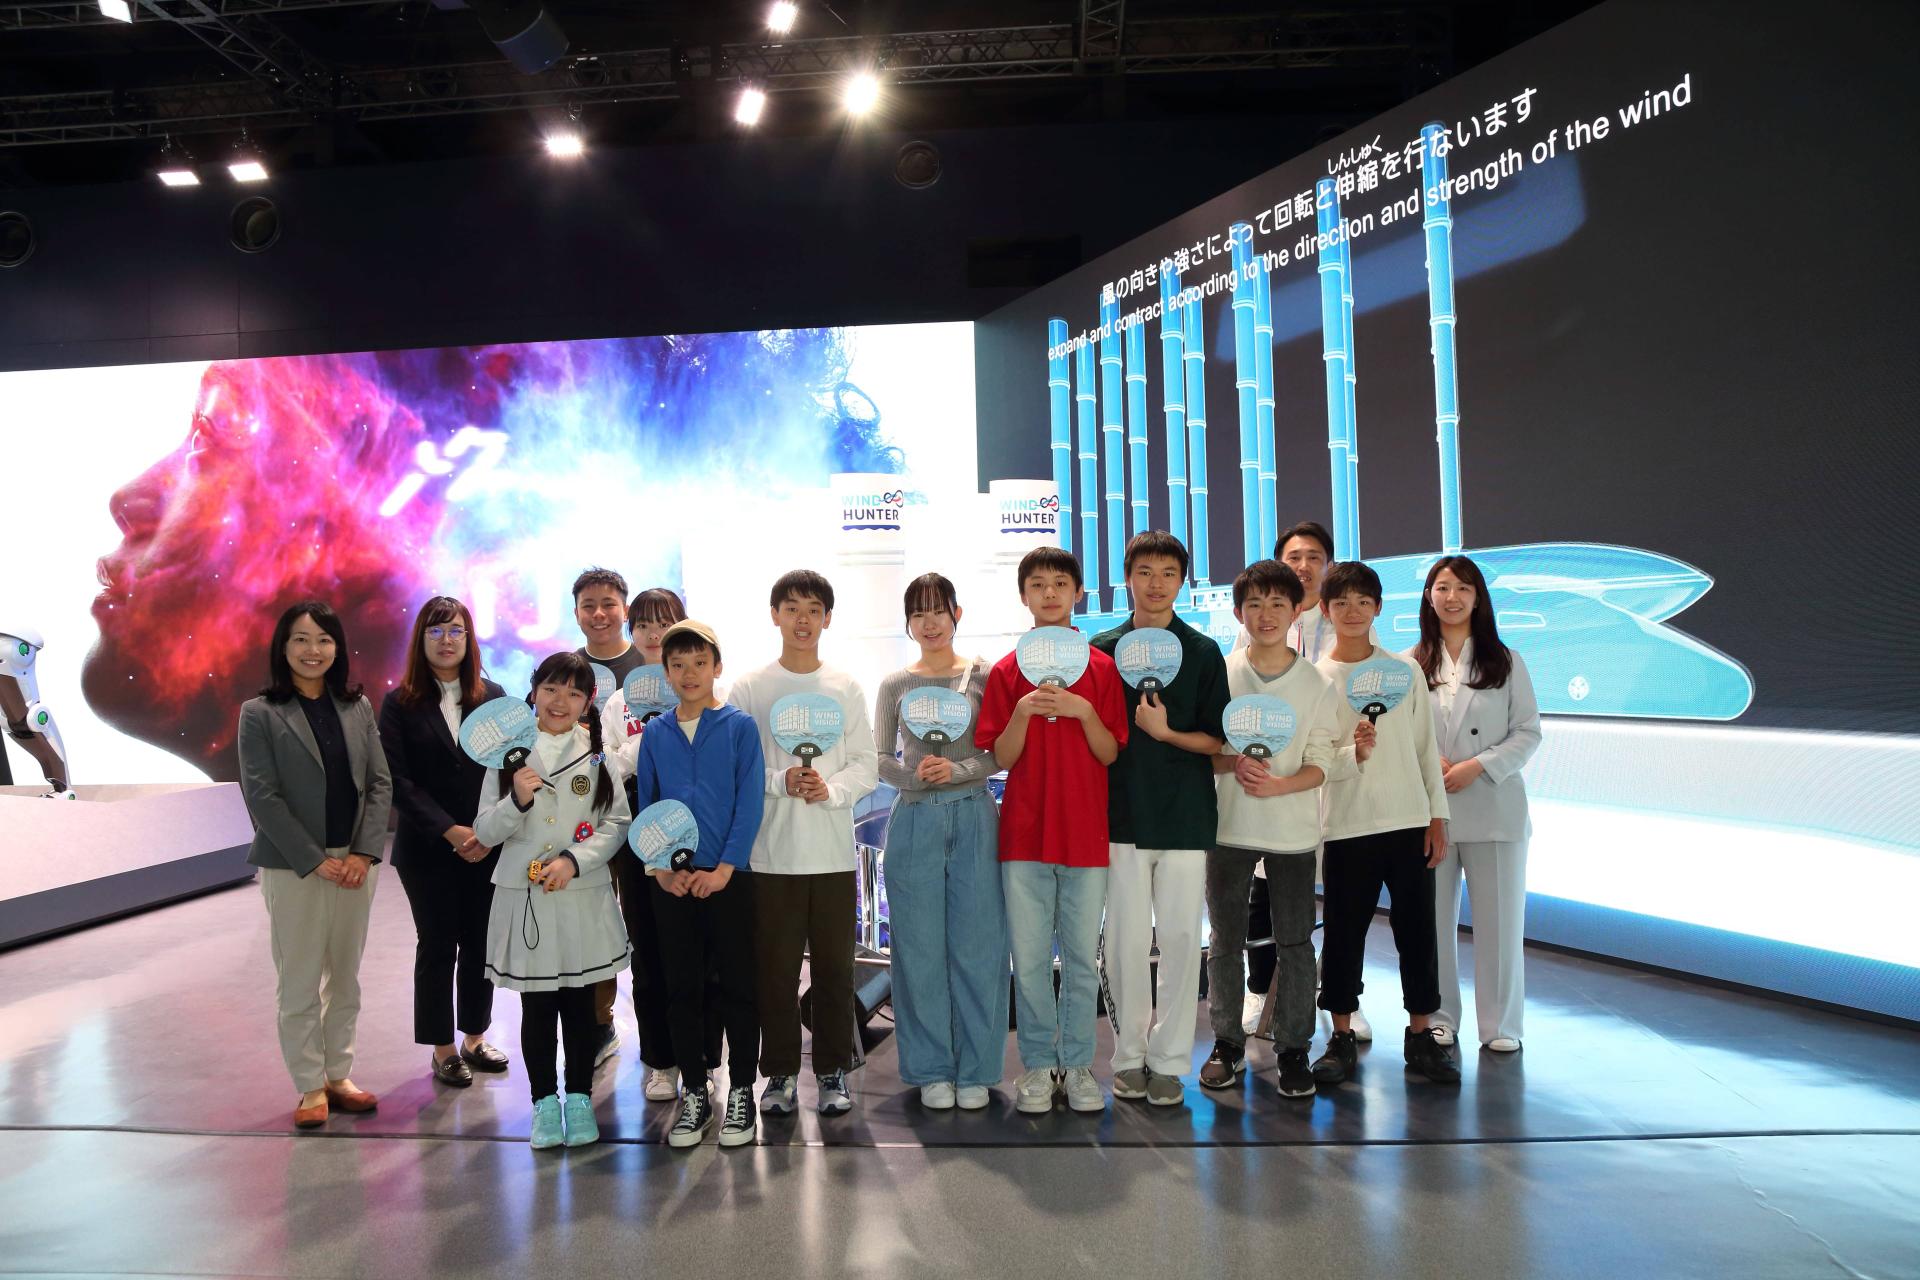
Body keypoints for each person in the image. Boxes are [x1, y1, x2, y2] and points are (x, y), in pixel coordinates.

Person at [976, 546, 1127, 1116]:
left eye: (1060, 583)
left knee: (1084, 959)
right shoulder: (1005, 671)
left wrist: (1083, 711)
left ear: (1078, 593)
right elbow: (1001, 756)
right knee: (1032, 958)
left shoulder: (1103, 669)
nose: (1049, 593)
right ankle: (1039, 1065)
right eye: (1037, 584)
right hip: (1024, 835)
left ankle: (1080, 1064)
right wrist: (1023, 710)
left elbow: (1110, 752)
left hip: (1086, 834)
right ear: (1023, 596)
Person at [727, 570, 879, 1119]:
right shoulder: (749, 688)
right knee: (775, 974)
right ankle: (780, 1074)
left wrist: (830, 790)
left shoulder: (845, 686)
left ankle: (833, 1070)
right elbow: (737, 766)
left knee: (836, 972)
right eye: (791, 608)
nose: (802, 620)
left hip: (832, 857)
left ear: (827, 618)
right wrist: (781, 781)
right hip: (770, 857)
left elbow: (865, 764)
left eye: (813, 610)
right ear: (775, 615)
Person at [236, 601, 393, 1130]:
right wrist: (313, 859)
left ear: (337, 648)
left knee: (345, 978)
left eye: (324, 639)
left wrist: (364, 853)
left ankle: (338, 1075)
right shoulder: (259, 713)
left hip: (355, 863)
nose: (313, 650)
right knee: (300, 977)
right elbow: (262, 796)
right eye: (301, 639)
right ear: (283, 647)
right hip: (294, 866)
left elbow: (379, 783)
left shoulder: (356, 706)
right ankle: (309, 1084)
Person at [1091, 532, 1228, 1107]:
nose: (1156, 583)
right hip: (1120, 815)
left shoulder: (1203, 651)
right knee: (1124, 943)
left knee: (1179, 940)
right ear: (1127, 578)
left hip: (1185, 817)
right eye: (1144, 571)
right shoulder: (1100, 650)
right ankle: (1128, 1057)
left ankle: (1170, 1062)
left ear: (1182, 581)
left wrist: (1167, 733)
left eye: (1168, 573)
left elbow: (1219, 740)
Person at [474, 653, 632, 1149]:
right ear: (534, 691)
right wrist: (516, 801)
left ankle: (580, 1099)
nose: (560, 701)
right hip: (527, 902)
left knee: (582, 1005)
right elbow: (484, 830)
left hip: (581, 896)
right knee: (538, 1006)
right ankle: (544, 1102)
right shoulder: (507, 755)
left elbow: (617, 823)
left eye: (573, 693)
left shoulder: (597, 754)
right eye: (551, 689)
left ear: (587, 702)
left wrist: (574, 860)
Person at [1311, 562, 1459, 1087]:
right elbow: (1315, 759)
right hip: (1346, 824)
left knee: (1418, 932)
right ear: (1325, 610)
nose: (1352, 611)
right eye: (1341, 602)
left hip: (1408, 820)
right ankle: (1341, 1036)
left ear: (1378, 607)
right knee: (1343, 935)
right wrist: (1352, 752)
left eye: (1363, 601)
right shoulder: (1315, 679)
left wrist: (1436, 816)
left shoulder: (1405, 670)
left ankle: (1421, 1036)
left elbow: (1425, 749)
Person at [1200, 561, 1343, 1099]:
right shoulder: (1222, 673)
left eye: (1277, 604)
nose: (1266, 615)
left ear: (1297, 610)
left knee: (1296, 943)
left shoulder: (1316, 683)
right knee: (1224, 940)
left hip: (1293, 833)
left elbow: (1321, 762)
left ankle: (1293, 1048)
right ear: (1239, 612)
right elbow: (1204, 751)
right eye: (1254, 604)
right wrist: (1230, 763)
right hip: (1229, 827)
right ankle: (1226, 1043)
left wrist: (1282, 786)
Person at [629, 620, 767, 1148]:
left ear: (716, 667)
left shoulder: (739, 728)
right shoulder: (656, 733)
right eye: (678, 665)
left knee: (738, 987)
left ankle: (742, 1091)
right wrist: (661, 869)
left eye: (699, 663)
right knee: (681, 987)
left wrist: (725, 868)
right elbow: (648, 804)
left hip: (729, 879)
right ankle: (693, 1091)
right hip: (672, 884)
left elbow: (748, 802)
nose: (689, 674)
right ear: (666, 673)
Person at [872, 574, 1005, 1111]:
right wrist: (913, 777)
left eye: (938, 611)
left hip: (974, 814)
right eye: (918, 613)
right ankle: (931, 1069)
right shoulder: (894, 684)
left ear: (957, 615)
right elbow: (879, 757)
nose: (929, 623)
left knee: (980, 947)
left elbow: (1000, 752)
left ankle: (977, 1069)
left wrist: (958, 770)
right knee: (919, 950)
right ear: (908, 622)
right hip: (914, 820)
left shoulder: (984, 676)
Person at [1409, 555, 1541, 1053]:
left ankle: (1502, 1025)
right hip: (1431, 812)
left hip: (1493, 808)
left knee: (1501, 925)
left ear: (1478, 598)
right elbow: (1397, 732)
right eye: (1442, 587)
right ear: (1428, 597)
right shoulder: (1409, 663)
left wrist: (1477, 765)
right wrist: (1429, 760)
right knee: (1432, 926)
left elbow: (1527, 732)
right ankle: (1440, 1017)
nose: (1452, 597)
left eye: (1463, 588)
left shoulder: (1505, 661)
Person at [377, 596, 510, 1088]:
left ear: (469, 639)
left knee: (480, 943)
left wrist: (488, 830)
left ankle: (474, 1037)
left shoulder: (493, 696)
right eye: (436, 631)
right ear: (421, 640)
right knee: (437, 944)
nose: (447, 640)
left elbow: (509, 767)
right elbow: (397, 779)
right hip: (428, 848)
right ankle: (442, 1049)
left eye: (455, 630)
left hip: (486, 844)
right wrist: (449, 830)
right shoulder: (399, 703)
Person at [598, 586, 709, 1102]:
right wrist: (645, 742)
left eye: (664, 623)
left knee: (699, 947)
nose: (652, 633)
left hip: (695, 830)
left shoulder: (698, 691)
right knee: (647, 947)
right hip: (636, 830)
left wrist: (643, 745)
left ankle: (703, 1057)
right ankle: (660, 1060)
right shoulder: (618, 702)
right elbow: (608, 767)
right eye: (643, 624)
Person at [571, 567, 640, 1068]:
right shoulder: (565, 670)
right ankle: (599, 1022)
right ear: (576, 612)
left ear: (625, 609)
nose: (599, 614)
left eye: (608, 603)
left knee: (643, 921)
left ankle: (662, 1027)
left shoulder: (649, 664)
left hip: (644, 818)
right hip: (584, 820)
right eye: (588, 605)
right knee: (593, 921)